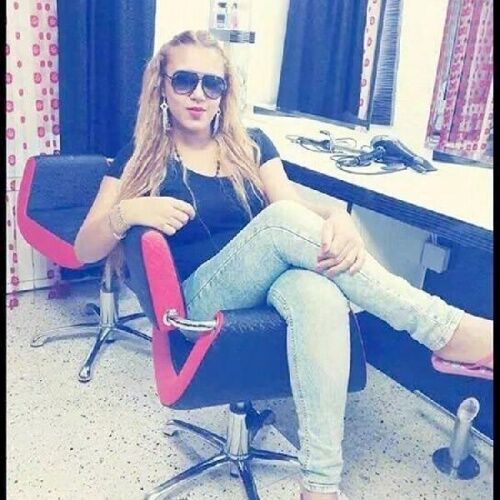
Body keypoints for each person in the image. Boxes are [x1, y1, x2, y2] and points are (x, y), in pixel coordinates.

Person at [74, 30, 493, 500]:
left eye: (213, 84)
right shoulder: (141, 156)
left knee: (318, 293)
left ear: (224, 93)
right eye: (185, 80)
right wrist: (128, 211)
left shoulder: (251, 145)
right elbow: (83, 249)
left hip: (264, 281)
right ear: (162, 88)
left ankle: (319, 486)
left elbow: (293, 210)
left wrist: (337, 218)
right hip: (198, 303)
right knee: (280, 225)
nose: (198, 94)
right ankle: (448, 331)